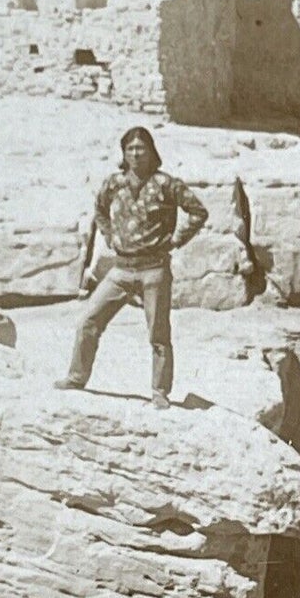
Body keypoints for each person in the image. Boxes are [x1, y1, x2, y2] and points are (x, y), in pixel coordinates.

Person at [56, 126, 207, 408]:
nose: (136, 154)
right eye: (130, 149)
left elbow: (199, 212)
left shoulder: (166, 184)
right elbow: (100, 210)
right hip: (121, 270)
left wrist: (177, 239)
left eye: (141, 148)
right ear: (124, 153)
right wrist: (110, 235)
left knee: (158, 335)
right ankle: (76, 378)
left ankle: (160, 392)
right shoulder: (114, 183)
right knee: (89, 321)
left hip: (154, 270)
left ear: (151, 151)